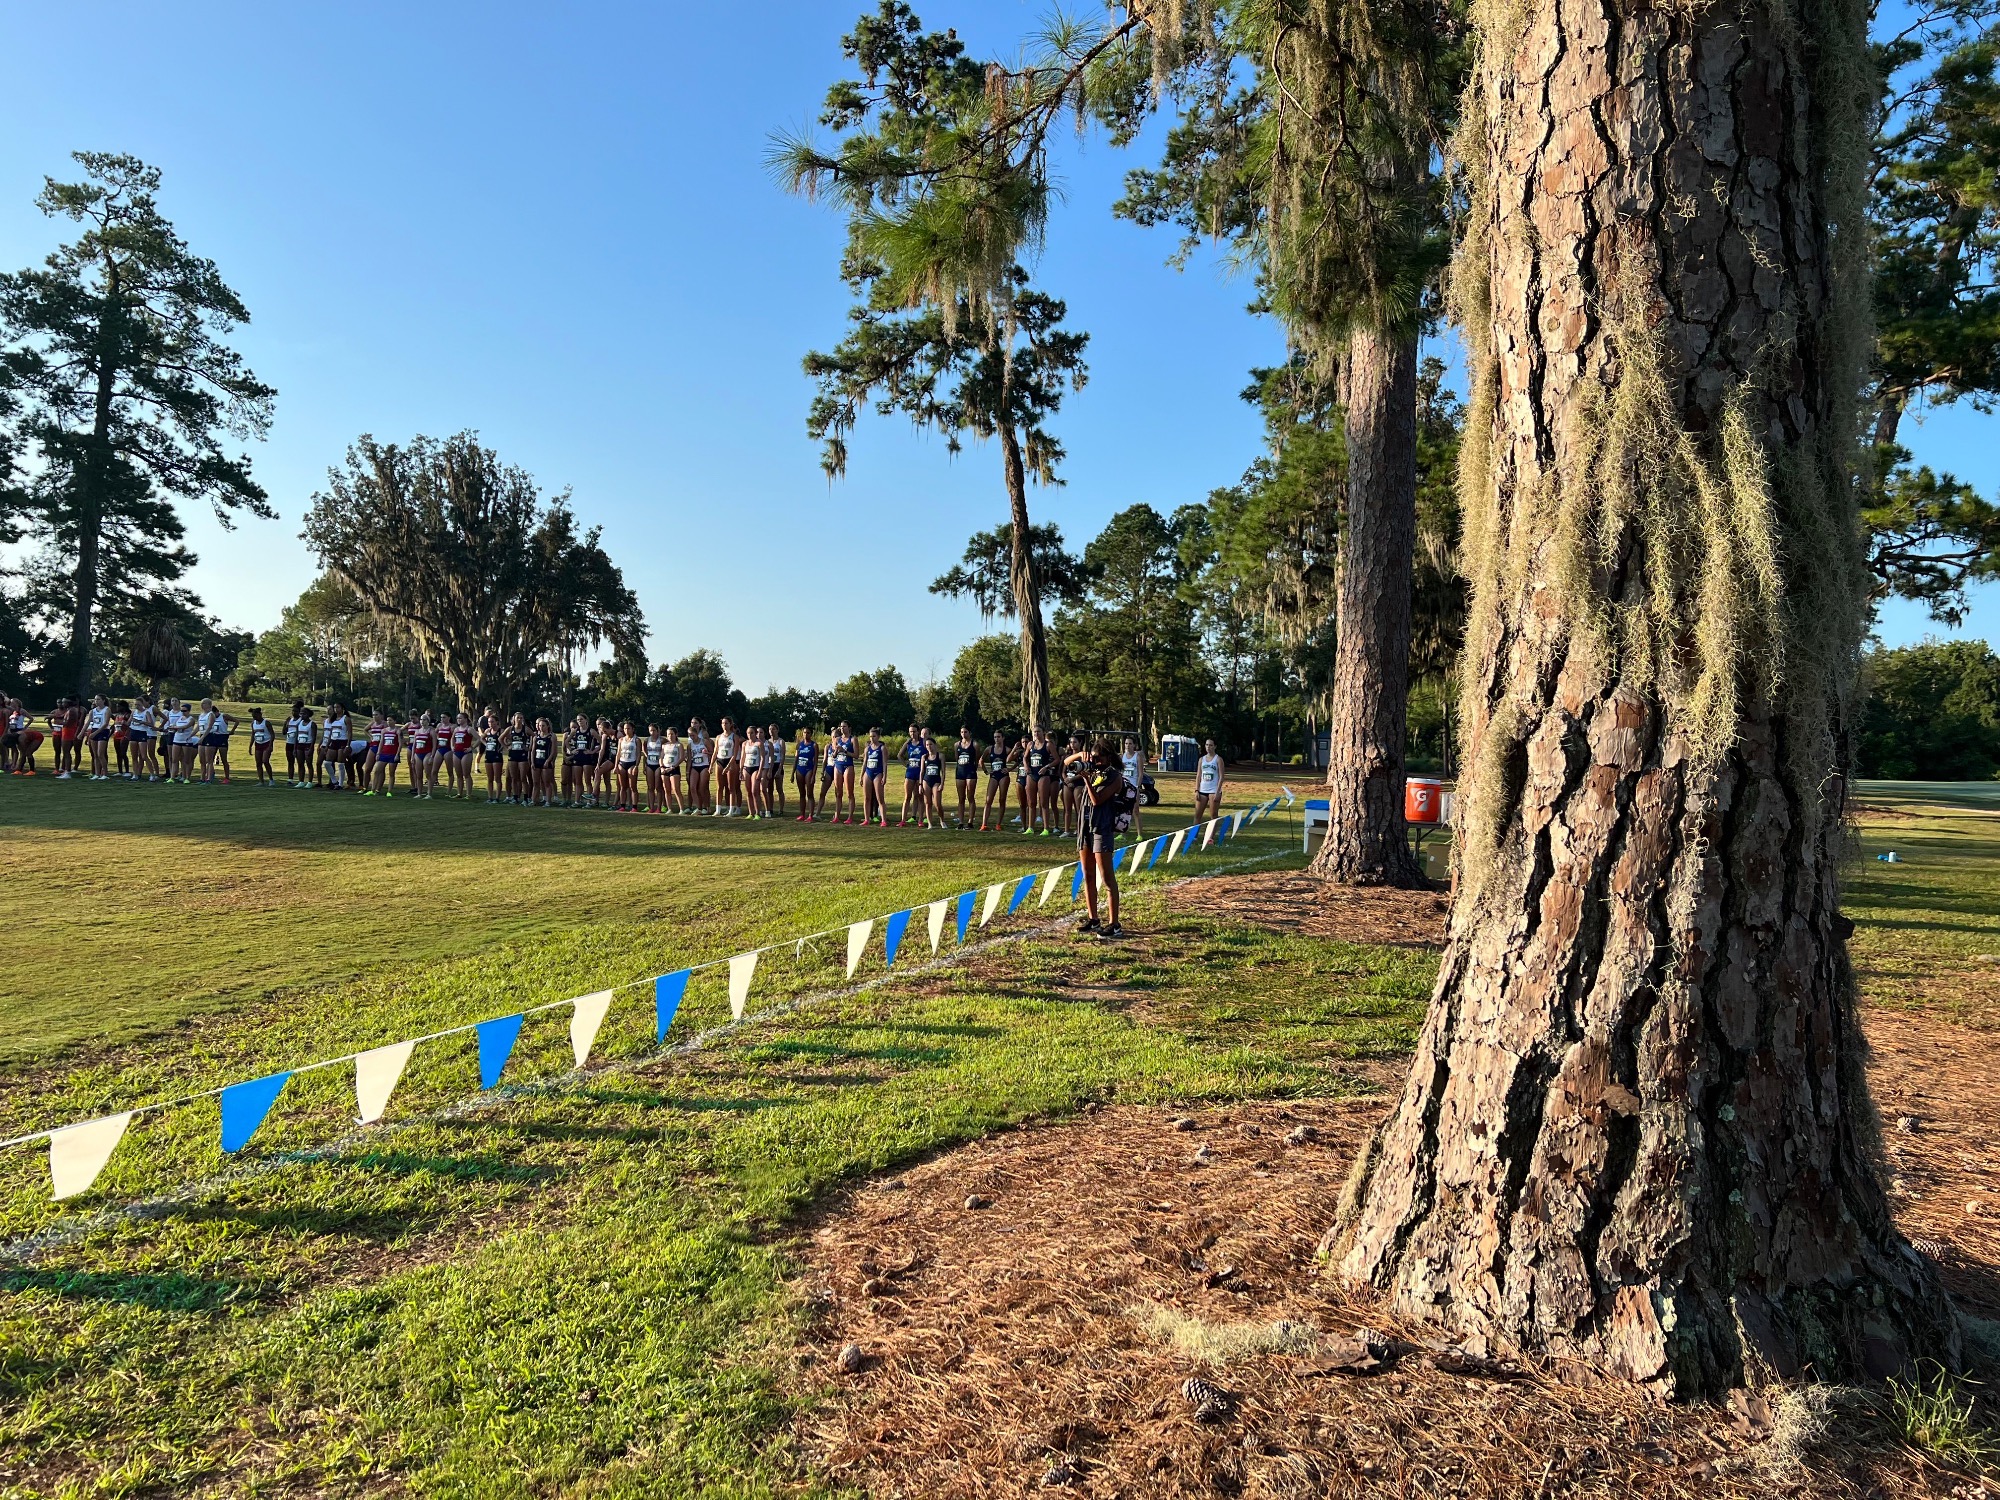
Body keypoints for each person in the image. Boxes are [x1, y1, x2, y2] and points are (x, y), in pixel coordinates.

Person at [1070, 736, 1129, 939]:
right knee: (1087, 874)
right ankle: (1093, 918)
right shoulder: (1093, 769)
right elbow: (1065, 767)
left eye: (1099, 757)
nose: (1096, 761)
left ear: (1109, 757)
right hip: (1085, 825)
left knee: (1106, 878)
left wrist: (1086, 778)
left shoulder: (1114, 776)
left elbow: (1097, 800)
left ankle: (1114, 924)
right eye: (1093, 757)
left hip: (1101, 827)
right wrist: (1080, 755)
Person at [979, 731, 1011, 831]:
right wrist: (985, 771)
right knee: (988, 800)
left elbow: (1019, 760)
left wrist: (1010, 769)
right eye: (995, 737)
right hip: (993, 776)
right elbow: (981, 760)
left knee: (1002, 799)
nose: (996, 739)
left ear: (1003, 738)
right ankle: (984, 824)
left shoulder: (1006, 749)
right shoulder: (989, 749)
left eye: (998, 737)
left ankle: (998, 824)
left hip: (1003, 776)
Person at [860, 727, 889, 826]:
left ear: (878, 736)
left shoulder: (882, 748)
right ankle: (866, 819)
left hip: (878, 773)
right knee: (867, 798)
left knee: (880, 798)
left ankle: (883, 820)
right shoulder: (867, 748)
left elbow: (885, 763)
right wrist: (861, 776)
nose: (872, 738)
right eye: (870, 736)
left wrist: (884, 776)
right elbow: (864, 763)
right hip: (868, 773)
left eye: (874, 736)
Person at [951, 726, 979, 827]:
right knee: (961, 798)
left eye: (965, 732)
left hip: (970, 772)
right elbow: (956, 758)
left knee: (970, 797)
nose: (963, 734)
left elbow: (976, 758)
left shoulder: (974, 744)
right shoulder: (957, 745)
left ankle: (970, 821)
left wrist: (973, 768)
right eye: (962, 732)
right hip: (960, 772)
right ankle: (961, 822)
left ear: (969, 733)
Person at [899, 724, 925, 826]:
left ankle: (920, 820)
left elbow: (930, 753)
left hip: (920, 773)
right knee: (907, 796)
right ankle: (903, 820)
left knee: (920, 797)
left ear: (918, 731)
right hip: (910, 773)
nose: (912, 734)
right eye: (910, 732)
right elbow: (899, 755)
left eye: (914, 731)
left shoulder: (923, 742)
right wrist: (906, 765)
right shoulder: (908, 743)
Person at [920, 726, 945, 828]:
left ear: (934, 745)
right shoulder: (924, 757)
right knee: (927, 803)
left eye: (930, 744)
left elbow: (943, 771)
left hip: (936, 781)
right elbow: (922, 772)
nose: (929, 746)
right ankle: (930, 823)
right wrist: (920, 784)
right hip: (926, 780)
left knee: (937, 804)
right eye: (927, 745)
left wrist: (942, 784)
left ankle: (942, 821)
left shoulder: (940, 756)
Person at [1194, 738, 1225, 822]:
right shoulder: (1201, 760)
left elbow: (1221, 776)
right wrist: (1197, 790)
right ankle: (1194, 835)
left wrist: (1217, 792)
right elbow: (1198, 775)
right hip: (1202, 790)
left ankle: (1211, 835)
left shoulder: (1218, 759)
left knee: (1213, 816)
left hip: (1213, 790)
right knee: (1197, 815)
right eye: (1207, 745)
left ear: (1215, 747)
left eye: (1211, 745)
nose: (1208, 747)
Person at [792, 725, 819, 821]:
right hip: (799, 769)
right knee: (801, 794)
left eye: (808, 733)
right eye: (804, 732)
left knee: (809, 793)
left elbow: (816, 761)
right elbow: (796, 759)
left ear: (811, 734)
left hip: (809, 770)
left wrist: (813, 775)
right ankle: (802, 814)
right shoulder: (799, 745)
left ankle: (810, 815)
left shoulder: (814, 745)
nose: (806, 734)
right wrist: (792, 773)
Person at [503, 712, 529, 803]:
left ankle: (526, 798)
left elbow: (534, 737)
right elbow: (500, 738)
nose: (519, 719)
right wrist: (507, 747)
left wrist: (528, 748)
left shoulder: (525, 729)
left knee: (522, 777)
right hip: (512, 755)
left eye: (521, 718)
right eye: (518, 718)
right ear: (514, 719)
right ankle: (515, 797)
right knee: (514, 778)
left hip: (522, 756)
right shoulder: (510, 729)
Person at [687, 718, 712, 814]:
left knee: (702, 788)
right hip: (695, 766)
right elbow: (689, 758)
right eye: (690, 736)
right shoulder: (690, 745)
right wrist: (688, 771)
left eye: (693, 735)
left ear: (697, 734)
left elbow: (713, 753)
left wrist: (707, 752)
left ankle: (706, 807)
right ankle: (698, 808)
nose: (692, 737)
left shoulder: (704, 741)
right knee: (692, 787)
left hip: (704, 765)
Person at [531, 717, 557, 806]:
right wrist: (532, 762)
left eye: (543, 726)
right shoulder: (536, 737)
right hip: (537, 761)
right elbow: (533, 750)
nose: (541, 727)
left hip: (546, 762)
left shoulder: (551, 737)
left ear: (547, 726)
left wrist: (548, 761)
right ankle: (534, 800)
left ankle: (548, 801)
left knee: (547, 782)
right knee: (536, 782)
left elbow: (553, 751)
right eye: (540, 725)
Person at [661, 725, 686, 812]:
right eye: (668, 734)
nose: (670, 736)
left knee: (676, 789)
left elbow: (682, 758)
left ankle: (682, 809)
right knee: (667, 790)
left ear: (676, 734)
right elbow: (661, 757)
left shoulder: (679, 745)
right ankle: (669, 809)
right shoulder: (664, 745)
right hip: (665, 769)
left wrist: (673, 767)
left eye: (672, 734)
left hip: (674, 769)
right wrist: (662, 767)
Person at [249, 707, 277, 784]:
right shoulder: (253, 723)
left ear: (260, 714)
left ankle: (271, 779)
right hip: (258, 744)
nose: (255, 718)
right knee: (258, 763)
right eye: (253, 716)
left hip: (266, 743)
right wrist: (250, 745)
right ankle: (261, 781)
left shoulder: (266, 723)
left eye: (256, 716)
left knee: (265, 761)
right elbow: (253, 734)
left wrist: (271, 745)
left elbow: (272, 734)